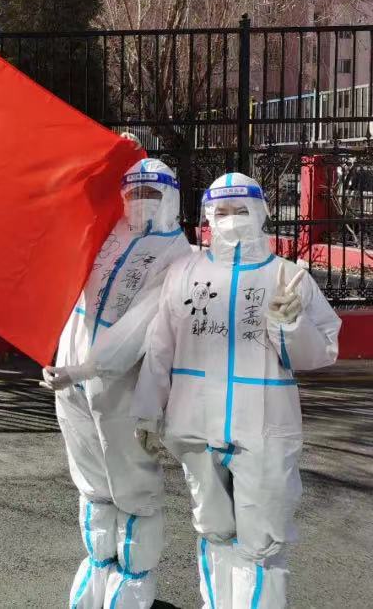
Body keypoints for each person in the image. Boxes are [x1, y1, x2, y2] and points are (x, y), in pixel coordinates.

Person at [133, 172, 340, 608]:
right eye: (221, 212)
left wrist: (290, 325)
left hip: (263, 430)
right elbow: (159, 347)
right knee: (213, 531)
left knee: (261, 543)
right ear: (208, 217)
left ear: (260, 213)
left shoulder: (288, 277)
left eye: (240, 210)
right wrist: (148, 411)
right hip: (194, 427)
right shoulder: (184, 273)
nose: (230, 220)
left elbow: (320, 352)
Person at [42, 158, 192, 609]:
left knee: (133, 486)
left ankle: (132, 583)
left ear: (171, 198)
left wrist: (86, 368)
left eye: (152, 194)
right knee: (92, 482)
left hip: (121, 388)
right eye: (134, 193)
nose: (141, 202)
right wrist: (57, 354)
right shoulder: (108, 237)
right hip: (70, 381)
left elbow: (139, 327)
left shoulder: (178, 256)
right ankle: (98, 569)